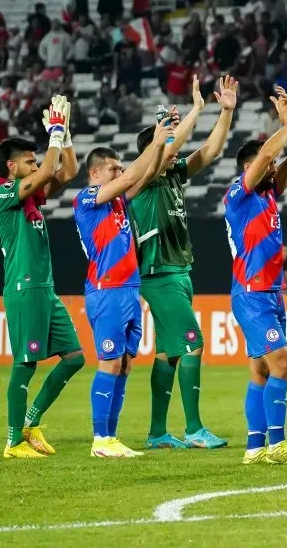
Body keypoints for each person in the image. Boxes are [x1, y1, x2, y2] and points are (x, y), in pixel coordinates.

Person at [130, 75, 237, 450]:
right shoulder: (140, 181)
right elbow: (170, 146)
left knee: (168, 353)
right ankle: (194, 429)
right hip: (158, 273)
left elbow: (208, 151)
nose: (174, 150)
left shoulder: (173, 175)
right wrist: (195, 110)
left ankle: (158, 432)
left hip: (179, 271)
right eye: (166, 144)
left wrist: (225, 113)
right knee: (193, 342)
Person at [73, 114, 174, 458]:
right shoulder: (86, 198)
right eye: (113, 169)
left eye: (118, 168)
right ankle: (100, 439)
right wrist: (156, 139)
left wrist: (163, 143)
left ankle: (111, 438)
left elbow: (146, 174)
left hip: (129, 289)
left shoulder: (116, 201)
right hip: (107, 290)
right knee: (110, 362)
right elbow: (134, 173)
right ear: (95, 174)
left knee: (126, 363)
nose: (119, 173)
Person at [0, 97, 83, 459]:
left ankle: (31, 422)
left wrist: (67, 135)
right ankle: (13, 442)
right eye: (28, 160)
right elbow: (47, 172)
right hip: (24, 287)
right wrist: (54, 132)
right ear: (12, 167)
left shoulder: (30, 197)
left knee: (74, 357)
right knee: (24, 364)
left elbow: (68, 171)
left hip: (45, 288)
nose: (35, 163)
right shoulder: (1, 196)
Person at [224, 86, 287, 465]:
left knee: (260, 369)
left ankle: (255, 447)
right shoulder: (238, 194)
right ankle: (277, 444)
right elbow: (273, 153)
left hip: (269, 292)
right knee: (283, 363)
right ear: (249, 167)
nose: (273, 167)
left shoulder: (267, 195)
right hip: (251, 293)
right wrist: (285, 121)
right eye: (265, 163)